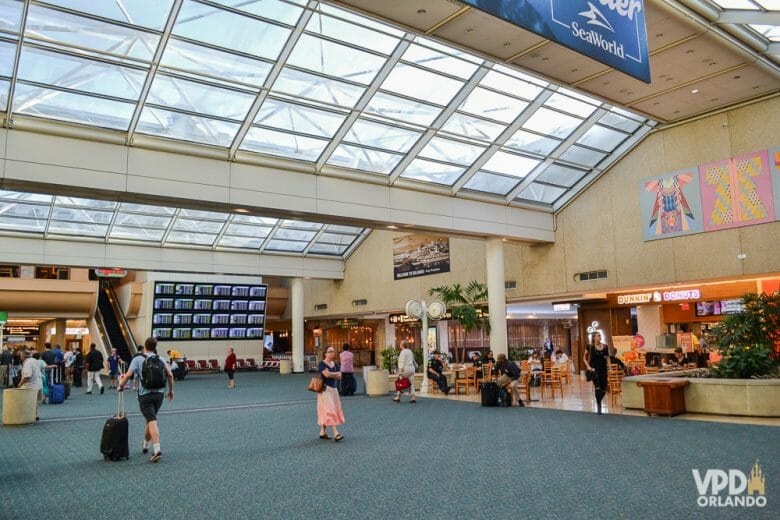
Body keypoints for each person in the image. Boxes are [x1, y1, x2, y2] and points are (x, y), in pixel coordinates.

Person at [118, 337, 174, 463]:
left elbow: (128, 375)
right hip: (159, 394)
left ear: (145, 346)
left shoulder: (138, 359)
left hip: (145, 395)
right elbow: (170, 375)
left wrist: (120, 386)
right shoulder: (160, 359)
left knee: (152, 420)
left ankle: (157, 449)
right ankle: (145, 444)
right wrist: (171, 391)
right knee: (150, 420)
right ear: (155, 346)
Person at [317, 346, 344, 442]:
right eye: (330, 351)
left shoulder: (335, 364)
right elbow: (326, 375)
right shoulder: (321, 364)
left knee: (329, 409)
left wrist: (333, 374)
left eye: (333, 351)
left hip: (334, 389)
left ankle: (322, 432)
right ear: (325, 353)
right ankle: (336, 433)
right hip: (325, 390)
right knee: (330, 410)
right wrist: (336, 374)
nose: (332, 353)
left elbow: (340, 377)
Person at [584, 332, 609, 414]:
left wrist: (610, 366)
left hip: (604, 369)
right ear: (594, 338)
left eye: (600, 335)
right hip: (594, 370)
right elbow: (584, 358)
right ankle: (599, 405)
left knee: (604, 388)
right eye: (598, 336)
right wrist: (588, 366)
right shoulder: (590, 347)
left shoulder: (605, 346)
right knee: (597, 387)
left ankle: (598, 400)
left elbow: (608, 358)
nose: (599, 337)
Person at [17, 349, 42, 420]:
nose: (20, 357)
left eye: (21, 355)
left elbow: (27, 376)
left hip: (31, 385)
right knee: (34, 401)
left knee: (28, 401)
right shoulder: (35, 360)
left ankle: (29, 416)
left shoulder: (27, 363)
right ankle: (35, 415)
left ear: (23, 356)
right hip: (38, 383)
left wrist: (20, 384)